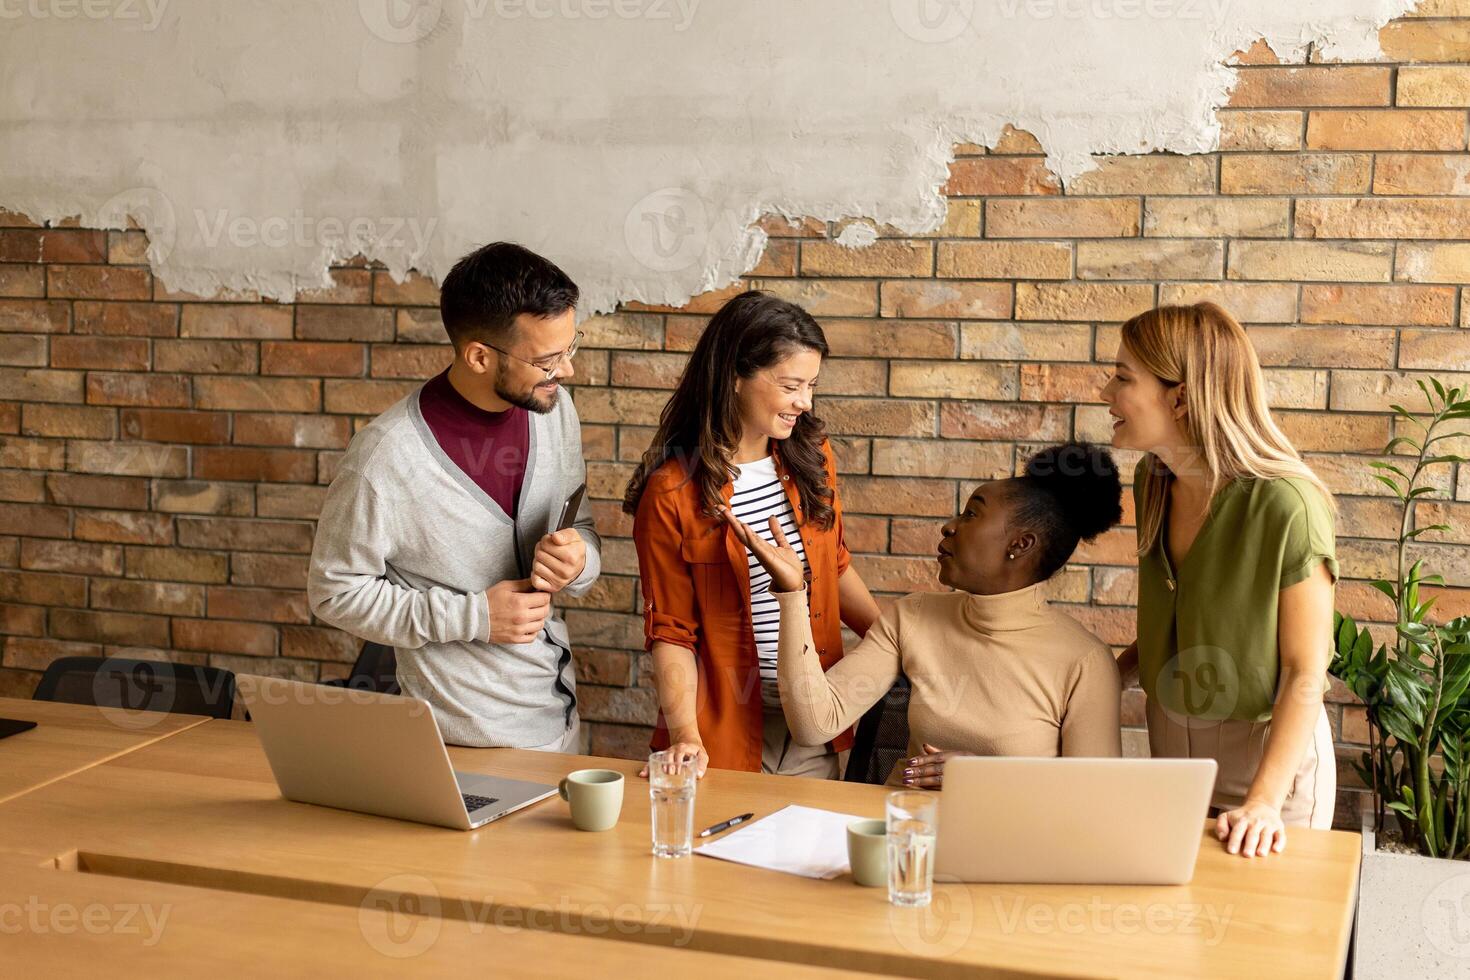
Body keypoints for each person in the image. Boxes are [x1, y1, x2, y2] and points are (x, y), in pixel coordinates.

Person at [308, 242, 600, 750]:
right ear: (480, 356)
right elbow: (334, 592)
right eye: (549, 359)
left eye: (570, 348)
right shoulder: (385, 458)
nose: (567, 371)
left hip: (561, 721)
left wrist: (579, 561)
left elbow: (584, 531)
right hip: (463, 743)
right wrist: (474, 617)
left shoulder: (557, 412)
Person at [728, 442, 1125, 787]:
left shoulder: (1083, 661)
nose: (949, 527)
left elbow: (1094, 796)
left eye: (972, 515)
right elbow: (815, 723)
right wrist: (793, 593)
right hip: (903, 837)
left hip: (1004, 851)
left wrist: (989, 779)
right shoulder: (913, 616)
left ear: (1020, 544)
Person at [1102, 301, 1338, 859]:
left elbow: (1307, 669)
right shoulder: (1152, 480)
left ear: (1180, 396)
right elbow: (1179, 621)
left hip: (1270, 779)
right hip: (1173, 766)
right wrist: (1095, 683)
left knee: (1262, 941)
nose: (1105, 392)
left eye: (1122, 378)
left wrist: (1263, 802)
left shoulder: (1287, 506)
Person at [625, 290, 881, 779]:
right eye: (791, 386)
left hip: (815, 711)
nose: (804, 403)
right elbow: (671, 630)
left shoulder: (812, 456)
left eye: (812, 386)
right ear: (736, 378)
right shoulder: (671, 492)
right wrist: (685, 736)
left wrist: (897, 645)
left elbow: (836, 566)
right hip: (723, 721)